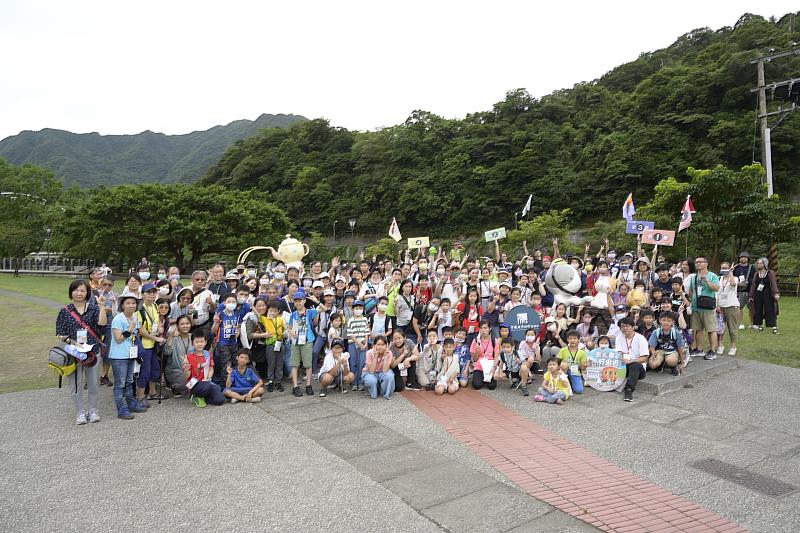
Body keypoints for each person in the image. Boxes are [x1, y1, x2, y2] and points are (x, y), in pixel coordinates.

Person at [55, 280, 108, 424]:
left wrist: (102, 306)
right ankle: (80, 412)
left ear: (87, 293)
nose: (79, 293)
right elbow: (60, 333)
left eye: (83, 290)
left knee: (93, 383)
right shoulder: (65, 311)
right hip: (74, 352)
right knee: (75, 384)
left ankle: (93, 410)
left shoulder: (94, 308)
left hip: (93, 351)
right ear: (71, 292)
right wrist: (73, 342)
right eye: (76, 290)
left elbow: (102, 325)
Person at [109, 294, 145, 420]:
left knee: (129, 381)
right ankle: (121, 409)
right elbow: (118, 339)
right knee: (120, 384)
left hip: (130, 355)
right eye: (128, 303)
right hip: (119, 357)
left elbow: (136, 334)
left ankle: (131, 403)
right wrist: (129, 329)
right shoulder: (118, 319)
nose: (131, 305)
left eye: (133, 303)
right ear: (122, 305)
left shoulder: (134, 317)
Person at [135, 282, 166, 407]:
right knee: (144, 371)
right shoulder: (139, 309)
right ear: (143, 294)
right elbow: (140, 330)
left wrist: (159, 328)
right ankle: (140, 396)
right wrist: (155, 338)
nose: (152, 295)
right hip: (144, 345)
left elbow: (157, 320)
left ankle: (152, 392)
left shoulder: (154, 306)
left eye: (154, 292)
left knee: (155, 368)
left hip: (153, 344)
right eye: (149, 292)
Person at [182, 329, 225, 407]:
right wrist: (186, 366)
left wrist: (208, 377)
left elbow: (211, 369)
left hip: (205, 381)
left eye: (202, 342)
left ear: (205, 342)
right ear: (192, 343)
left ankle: (203, 397)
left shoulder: (208, 354)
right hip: (192, 383)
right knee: (207, 386)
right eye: (197, 342)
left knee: (220, 400)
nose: (200, 344)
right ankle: (195, 395)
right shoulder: (188, 356)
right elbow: (186, 377)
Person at [688, 257, 720, 359]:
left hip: (708, 307)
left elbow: (716, 288)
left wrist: (706, 281)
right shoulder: (693, 277)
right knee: (697, 329)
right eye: (696, 262)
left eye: (700, 262)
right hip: (696, 306)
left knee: (711, 330)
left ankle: (713, 351)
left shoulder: (712, 276)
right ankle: (699, 349)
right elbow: (691, 291)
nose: (698, 264)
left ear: (706, 264)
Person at [288, 290, 318, 397]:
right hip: (296, 341)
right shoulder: (293, 314)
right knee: (295, 364)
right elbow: (289, 327)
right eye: (296, 301)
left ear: (304, 301)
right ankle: (295, 386)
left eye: (300, 301)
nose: (298, 303)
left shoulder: (310, 312)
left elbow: (323, 309)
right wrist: (292, 333)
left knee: (308, 364)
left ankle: (308, 385)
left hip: (307, 340)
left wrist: (316, 302)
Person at [614, 317, 649, 402]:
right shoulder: (619, 337)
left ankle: (629, 390)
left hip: (638, 368)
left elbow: (645, 358)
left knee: (634, 365)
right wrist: (620, 357)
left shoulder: (641, 338)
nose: (624, 328)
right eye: (622, 326)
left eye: (627, 326)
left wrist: (630, 361)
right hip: (624, 366)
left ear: (633, 327)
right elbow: (619, 352)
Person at [211, 294, 242, 388]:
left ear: (236, 304)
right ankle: (226, 386)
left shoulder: (237, 314)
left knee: (235, 363)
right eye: (229, 302)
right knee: (226, 365)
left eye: (233, 302)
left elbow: (238, 327)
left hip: (234, 343)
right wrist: (216, 322)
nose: (231, 304)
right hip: (223, 344)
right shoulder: (220, 314)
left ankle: (235, 383)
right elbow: (213, 331)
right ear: (224, 303)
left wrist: (238, 332)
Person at [162, 315, 192, 397]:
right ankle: (175, 386)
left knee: (198, 383)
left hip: (191, 370)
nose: (185, 326)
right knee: (185, 386)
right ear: (177, 326)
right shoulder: (174, 338)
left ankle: (191, 389)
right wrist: (171, 336)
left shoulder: (193, 337)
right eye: (182, 324)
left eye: (187, 323)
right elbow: (166, 352)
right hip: (175, 371)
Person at [749, 257, 780, 334]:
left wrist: (776, 293)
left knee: (770, 309)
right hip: (758, 294)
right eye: (758, 263)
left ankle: (774, 326)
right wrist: (751, 296)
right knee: (757, 309)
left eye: (761, 263)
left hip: (768, 294)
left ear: (765, 264)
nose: (759, 265)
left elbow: (773, 283)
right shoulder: (756, 274)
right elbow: (753, 285)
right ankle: (758, 325)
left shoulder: (770, 273)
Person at [716, 261, 740, 356]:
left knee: (732, 327)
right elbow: (717, 293)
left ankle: (733, 346)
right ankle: (720, 345)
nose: (724, 270)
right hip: (721, 306)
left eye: (726, 268)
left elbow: (733, 284)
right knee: (720, 327)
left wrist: (731, 272)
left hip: (732, 306)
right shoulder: (719, 279)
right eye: (722, 268)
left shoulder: (734, 278)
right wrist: (717, 305)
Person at [96, 276, 117, 387]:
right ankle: (91, 378)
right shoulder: (95, 294)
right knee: (94, 352)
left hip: (110, 326)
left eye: (110, 285)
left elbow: (117, 312)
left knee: (108, 352)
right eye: (105, 284)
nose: (107, 287)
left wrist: (111, 307)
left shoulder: (115, 295)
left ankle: (104, 376)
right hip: (96, 326)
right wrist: (102, 308)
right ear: (101, 283)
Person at [262, 301, 285, 392]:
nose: (272, 313)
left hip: (279, 343)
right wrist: (251, 304)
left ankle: (278, 381)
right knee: (271, 363)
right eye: (271, 311)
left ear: (279, 311)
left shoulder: (280, 320)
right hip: (271, 345)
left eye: (275, 311)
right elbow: (258, 315)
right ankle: (270, 380)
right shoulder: (266, 320)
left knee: (279, 363)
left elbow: (283, 330)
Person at [347, 300, 370, 392]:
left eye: (360, 308)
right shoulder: (350, 320)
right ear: (353, 309)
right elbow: (351, 334)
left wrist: (366, 343)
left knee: (362, 363)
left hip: (363, 345)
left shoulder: (364, 319)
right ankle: (353, 382)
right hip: (353, 344)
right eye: (356, 308)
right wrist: (358, 343)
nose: (358, 310)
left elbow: (366, 332)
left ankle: (360, 382)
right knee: (353, 363)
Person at [470, 321, 499, 390]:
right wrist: (477, 351)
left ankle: (485, 378)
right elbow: (474, 359)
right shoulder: (476, 341)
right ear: (479, 329)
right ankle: (482, 378)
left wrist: (494, 368)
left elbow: (496, 356)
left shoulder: (494, 341)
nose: (483, 330)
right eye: (481, 328)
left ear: (489, 329)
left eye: (485, 328)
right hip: (479, 366)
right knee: (476, 385)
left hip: (490, 366)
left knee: (492, 386)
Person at [557, 330, 587, 394]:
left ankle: (570, 382)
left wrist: (584, 366)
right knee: (564, 365)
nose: (572, 340)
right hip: (564, 371)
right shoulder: (563, 350)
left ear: (578, 340)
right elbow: (557, 362)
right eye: (570, 338)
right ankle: (563, 382)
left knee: (579, 391)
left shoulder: (582, 353)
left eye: (575, 338)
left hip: (575, 371)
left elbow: (583, 369)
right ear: (567, 339)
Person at [732, 252, 755, 329]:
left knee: (751, 307)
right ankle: (740, 323)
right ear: (739, 258)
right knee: (739, 307)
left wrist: (749, 282)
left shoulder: (752, 268)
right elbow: (732, 277)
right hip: (739, 290)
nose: (743, 258)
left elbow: (755, 278)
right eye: (742, 257)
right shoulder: (736, 267)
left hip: (750, 290)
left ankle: (752, 323)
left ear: (748, 259)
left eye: (745, 257)